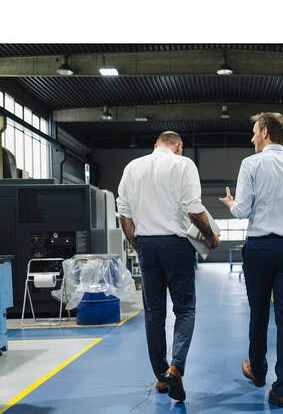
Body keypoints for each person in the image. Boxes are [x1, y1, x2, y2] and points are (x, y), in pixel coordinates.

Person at [219, 112, 283, 407]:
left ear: (265, 132)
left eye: (254, 132)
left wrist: (230, 203)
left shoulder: (251, 164)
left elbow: (241, 211)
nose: (252, 138)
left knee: (259, 313)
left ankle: (259, 371)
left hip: (260, 249)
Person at [117, 131, 220, 402]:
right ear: (179, 147)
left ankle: (162, 377)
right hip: (177, 246)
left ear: (156, 145)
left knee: (154, 313)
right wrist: (209, 237)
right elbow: (194, 210)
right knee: (185, 309)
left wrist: (137, 246)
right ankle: (176, 366)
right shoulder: (183, 165)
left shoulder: (132, 168)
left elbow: (124, 215)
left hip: (146, 245)